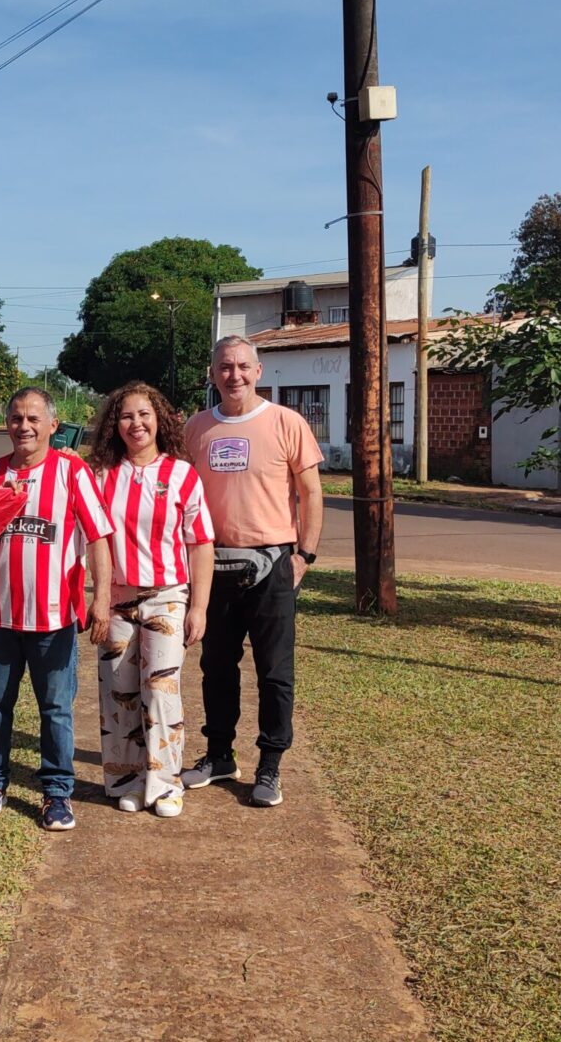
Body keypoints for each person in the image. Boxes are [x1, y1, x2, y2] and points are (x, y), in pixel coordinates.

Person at [180, 335, 323, 808]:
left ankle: (270, 764)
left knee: (274, 673)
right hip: (212, 564)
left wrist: (305, 555)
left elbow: (311, 492)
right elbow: (179, 493)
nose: (234, 374)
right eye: (225, 366)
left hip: (273, 565)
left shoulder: (286, 422)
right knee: (215, 668)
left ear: (258, 371)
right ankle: (219, 754)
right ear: (212, 373)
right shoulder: (196, 428)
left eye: (243, 366)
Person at [0, 387, 114, 832]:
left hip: (54, 620)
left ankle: (56, 793)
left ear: (53, 425)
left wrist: (101, 597)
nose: (24, 427)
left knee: (55, 710)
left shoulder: (72, 471)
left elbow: (98, 537)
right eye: (15, 418)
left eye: (34, 418)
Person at [86, 382, 215, 818]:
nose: (135, 424)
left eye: (144, 415)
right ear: (113, 425)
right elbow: (90, 536)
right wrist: (98, 600)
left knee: (160, 690)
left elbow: (200, 544)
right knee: (118, 691)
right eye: (126, 416)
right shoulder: (101, 476)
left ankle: (165, 783)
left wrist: (199, 607)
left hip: (167, 598)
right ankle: (126, 778)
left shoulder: (181, 475)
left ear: (160, 420)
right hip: (117, 601)